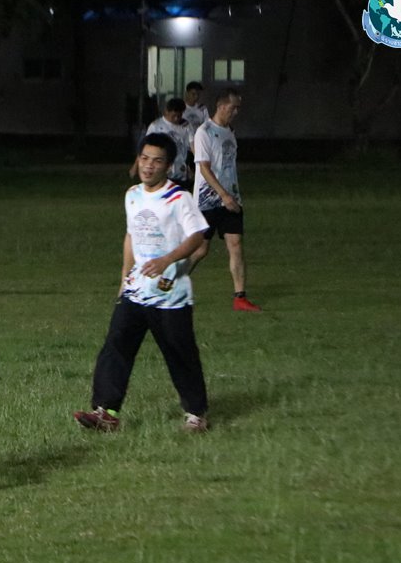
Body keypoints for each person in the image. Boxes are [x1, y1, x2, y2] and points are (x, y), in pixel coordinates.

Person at [74, 132, 211, 434]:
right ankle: (106, 412)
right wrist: (124, 277)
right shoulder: (133, 194)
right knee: (116, 346)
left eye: (157, 161)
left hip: (170, 294)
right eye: (144, 159)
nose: (148, 166)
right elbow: (131, 235)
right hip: (135, 291)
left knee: (179, 352)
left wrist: (167, 260)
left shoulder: (179, 199)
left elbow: (198, 237)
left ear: (169, 166)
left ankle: (195, 413)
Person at [188, 88, 261, 312]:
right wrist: (223, 194)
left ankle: (240, 297)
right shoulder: (204, 132)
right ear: (221, 106)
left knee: (235, 244)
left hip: (231, 199)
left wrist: (232, 195)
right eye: (233, 108)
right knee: (200, 250)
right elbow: (204, 168)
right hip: (207, 201)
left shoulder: (230, 131)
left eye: (238, 108)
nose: (236, 112)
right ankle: (169, 282)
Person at [130, 98, 194, 186]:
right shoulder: (156, 126)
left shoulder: (186, 125)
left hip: (180, 170)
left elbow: (192, 146)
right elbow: (145, 148)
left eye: (179, 116)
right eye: (174, 116)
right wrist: (135, 166)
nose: (176, 119)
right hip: (163, 170)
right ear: (167, 111)